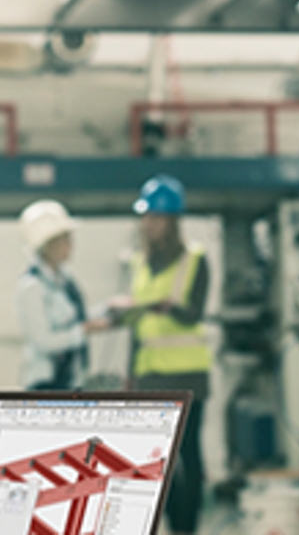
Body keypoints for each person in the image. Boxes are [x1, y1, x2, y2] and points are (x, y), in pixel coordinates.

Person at [107, 174, 211, 535]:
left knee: (189, 459)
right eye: (146, 217)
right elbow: (137, 326)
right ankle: (167, 527)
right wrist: (130, 376)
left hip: (187, 377)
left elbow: (193, 313)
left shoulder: (195, 260)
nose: (148, 225)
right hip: (149, 377)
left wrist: (156, 305)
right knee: (157, 464)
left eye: (155, 218)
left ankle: (188, 529)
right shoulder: (138, 264)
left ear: (172, 221)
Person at [15, 199, 109, 390]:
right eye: (65, 239)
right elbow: (44, 341)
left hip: (70, 382)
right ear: (48, 244)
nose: (70, 245)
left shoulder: (64, 281)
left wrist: (106, 311)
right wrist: (84, 331)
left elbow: (73, 320)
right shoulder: (32, 287)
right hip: (47, 384)